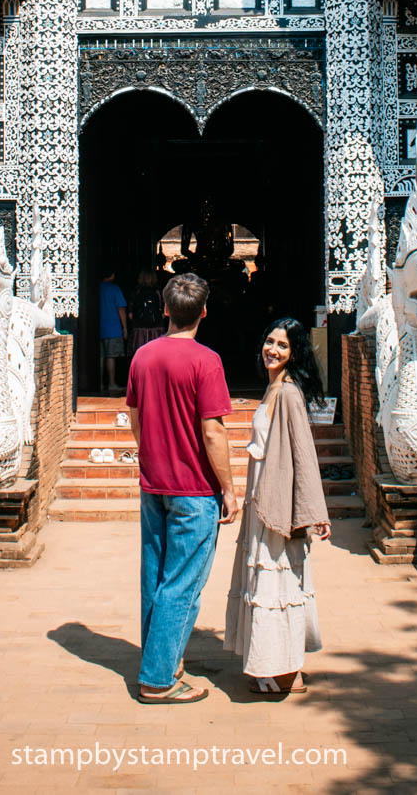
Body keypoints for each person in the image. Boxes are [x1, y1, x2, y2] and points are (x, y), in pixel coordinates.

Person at [126, 272, 238, 703]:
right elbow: (213, 432)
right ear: (204, 312)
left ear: (166, 309)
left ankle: (162, 658)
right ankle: (158, 678)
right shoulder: (206, 361)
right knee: (182, 583)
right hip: (194, 489)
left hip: (155, 485)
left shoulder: (142, 357)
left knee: (154, 577)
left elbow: (135, 416)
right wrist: (228, 488)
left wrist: (151, 451)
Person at [224, 316, 330, 695]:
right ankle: (287, 669)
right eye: (270, 341)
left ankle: (278, 672)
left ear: (294, 352)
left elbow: (303, 452)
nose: (273, 350)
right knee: (275, 584)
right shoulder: (272, 390)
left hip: (277, 504)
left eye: (283, 346)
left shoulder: (286, 394)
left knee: (275, 585)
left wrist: (313, 510)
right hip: (262, 502)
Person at [99, 269, 128, 393]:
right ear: (112, 275)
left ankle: (99, 384)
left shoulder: (97, 288)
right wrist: (125, 327)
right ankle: (111, 383)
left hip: (99, 326)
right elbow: (121, 309)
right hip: (113, 327)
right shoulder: (115, 289)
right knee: (111, 356)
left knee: (100, 356)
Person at [128, 268, 165, 356]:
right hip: (157, 329)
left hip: (139, 330)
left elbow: (130, 314)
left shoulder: (136, 292)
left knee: (140, 354)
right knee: (157, 354)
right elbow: (165, 311)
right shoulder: (159, 292)